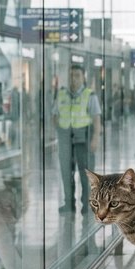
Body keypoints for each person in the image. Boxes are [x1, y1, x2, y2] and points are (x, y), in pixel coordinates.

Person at [53, 64, 102, 214]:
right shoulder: (61, 94)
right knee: (66, 173)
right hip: (66, 140)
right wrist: (59, 133)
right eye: (71, 76)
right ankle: (69, 204)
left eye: (77, 76)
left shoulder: (89, 95)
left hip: (84, 140)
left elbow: (96, 119)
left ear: (83, 77)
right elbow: (54, 115)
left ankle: (87, 205)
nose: (74, 79)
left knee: (86, 174)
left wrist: (95, 138)